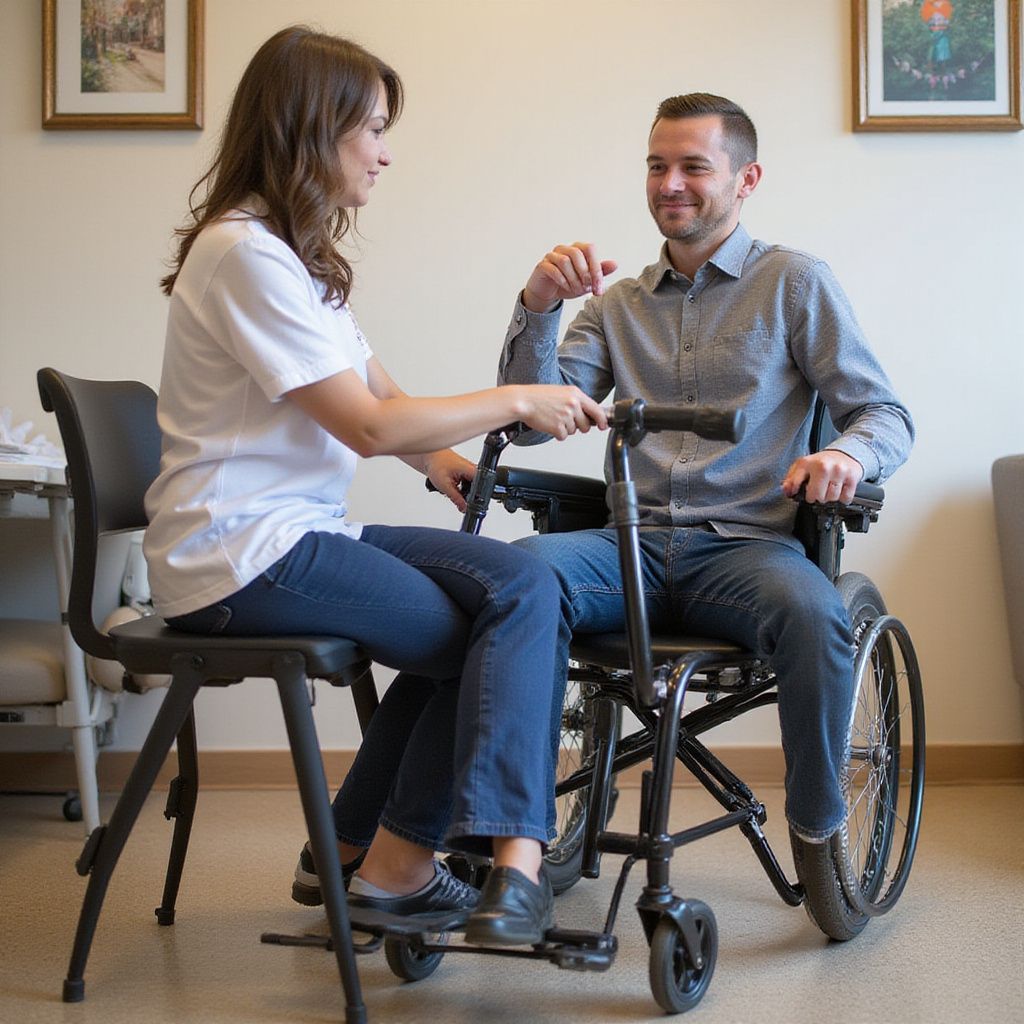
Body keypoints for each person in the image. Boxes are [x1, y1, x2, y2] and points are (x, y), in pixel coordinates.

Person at [144, 26, 607, 946]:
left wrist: (437, 460)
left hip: (288, 536)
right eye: (373, 130)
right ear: (312, 130)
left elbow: (380, 392)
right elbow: (363, 424)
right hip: (239, 553)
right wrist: (517, 396)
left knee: (517, 584)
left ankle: (354, 848)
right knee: (496, 620)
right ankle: (407, 864)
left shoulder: (290, 254)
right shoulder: (245, 254)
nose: (385, 154)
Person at [496, 93, 914, 848]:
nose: (670, 184)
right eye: (657, 166)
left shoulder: (794, 282)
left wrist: (844, 454)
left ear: (747, 179)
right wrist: (540, 305)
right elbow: (526, 427)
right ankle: (509, 831)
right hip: (632, 548)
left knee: (815, 614)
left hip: (748, 550)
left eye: (694, 166)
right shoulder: (614, 305)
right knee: (517, 574)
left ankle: (821, 834)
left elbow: (884, 414)